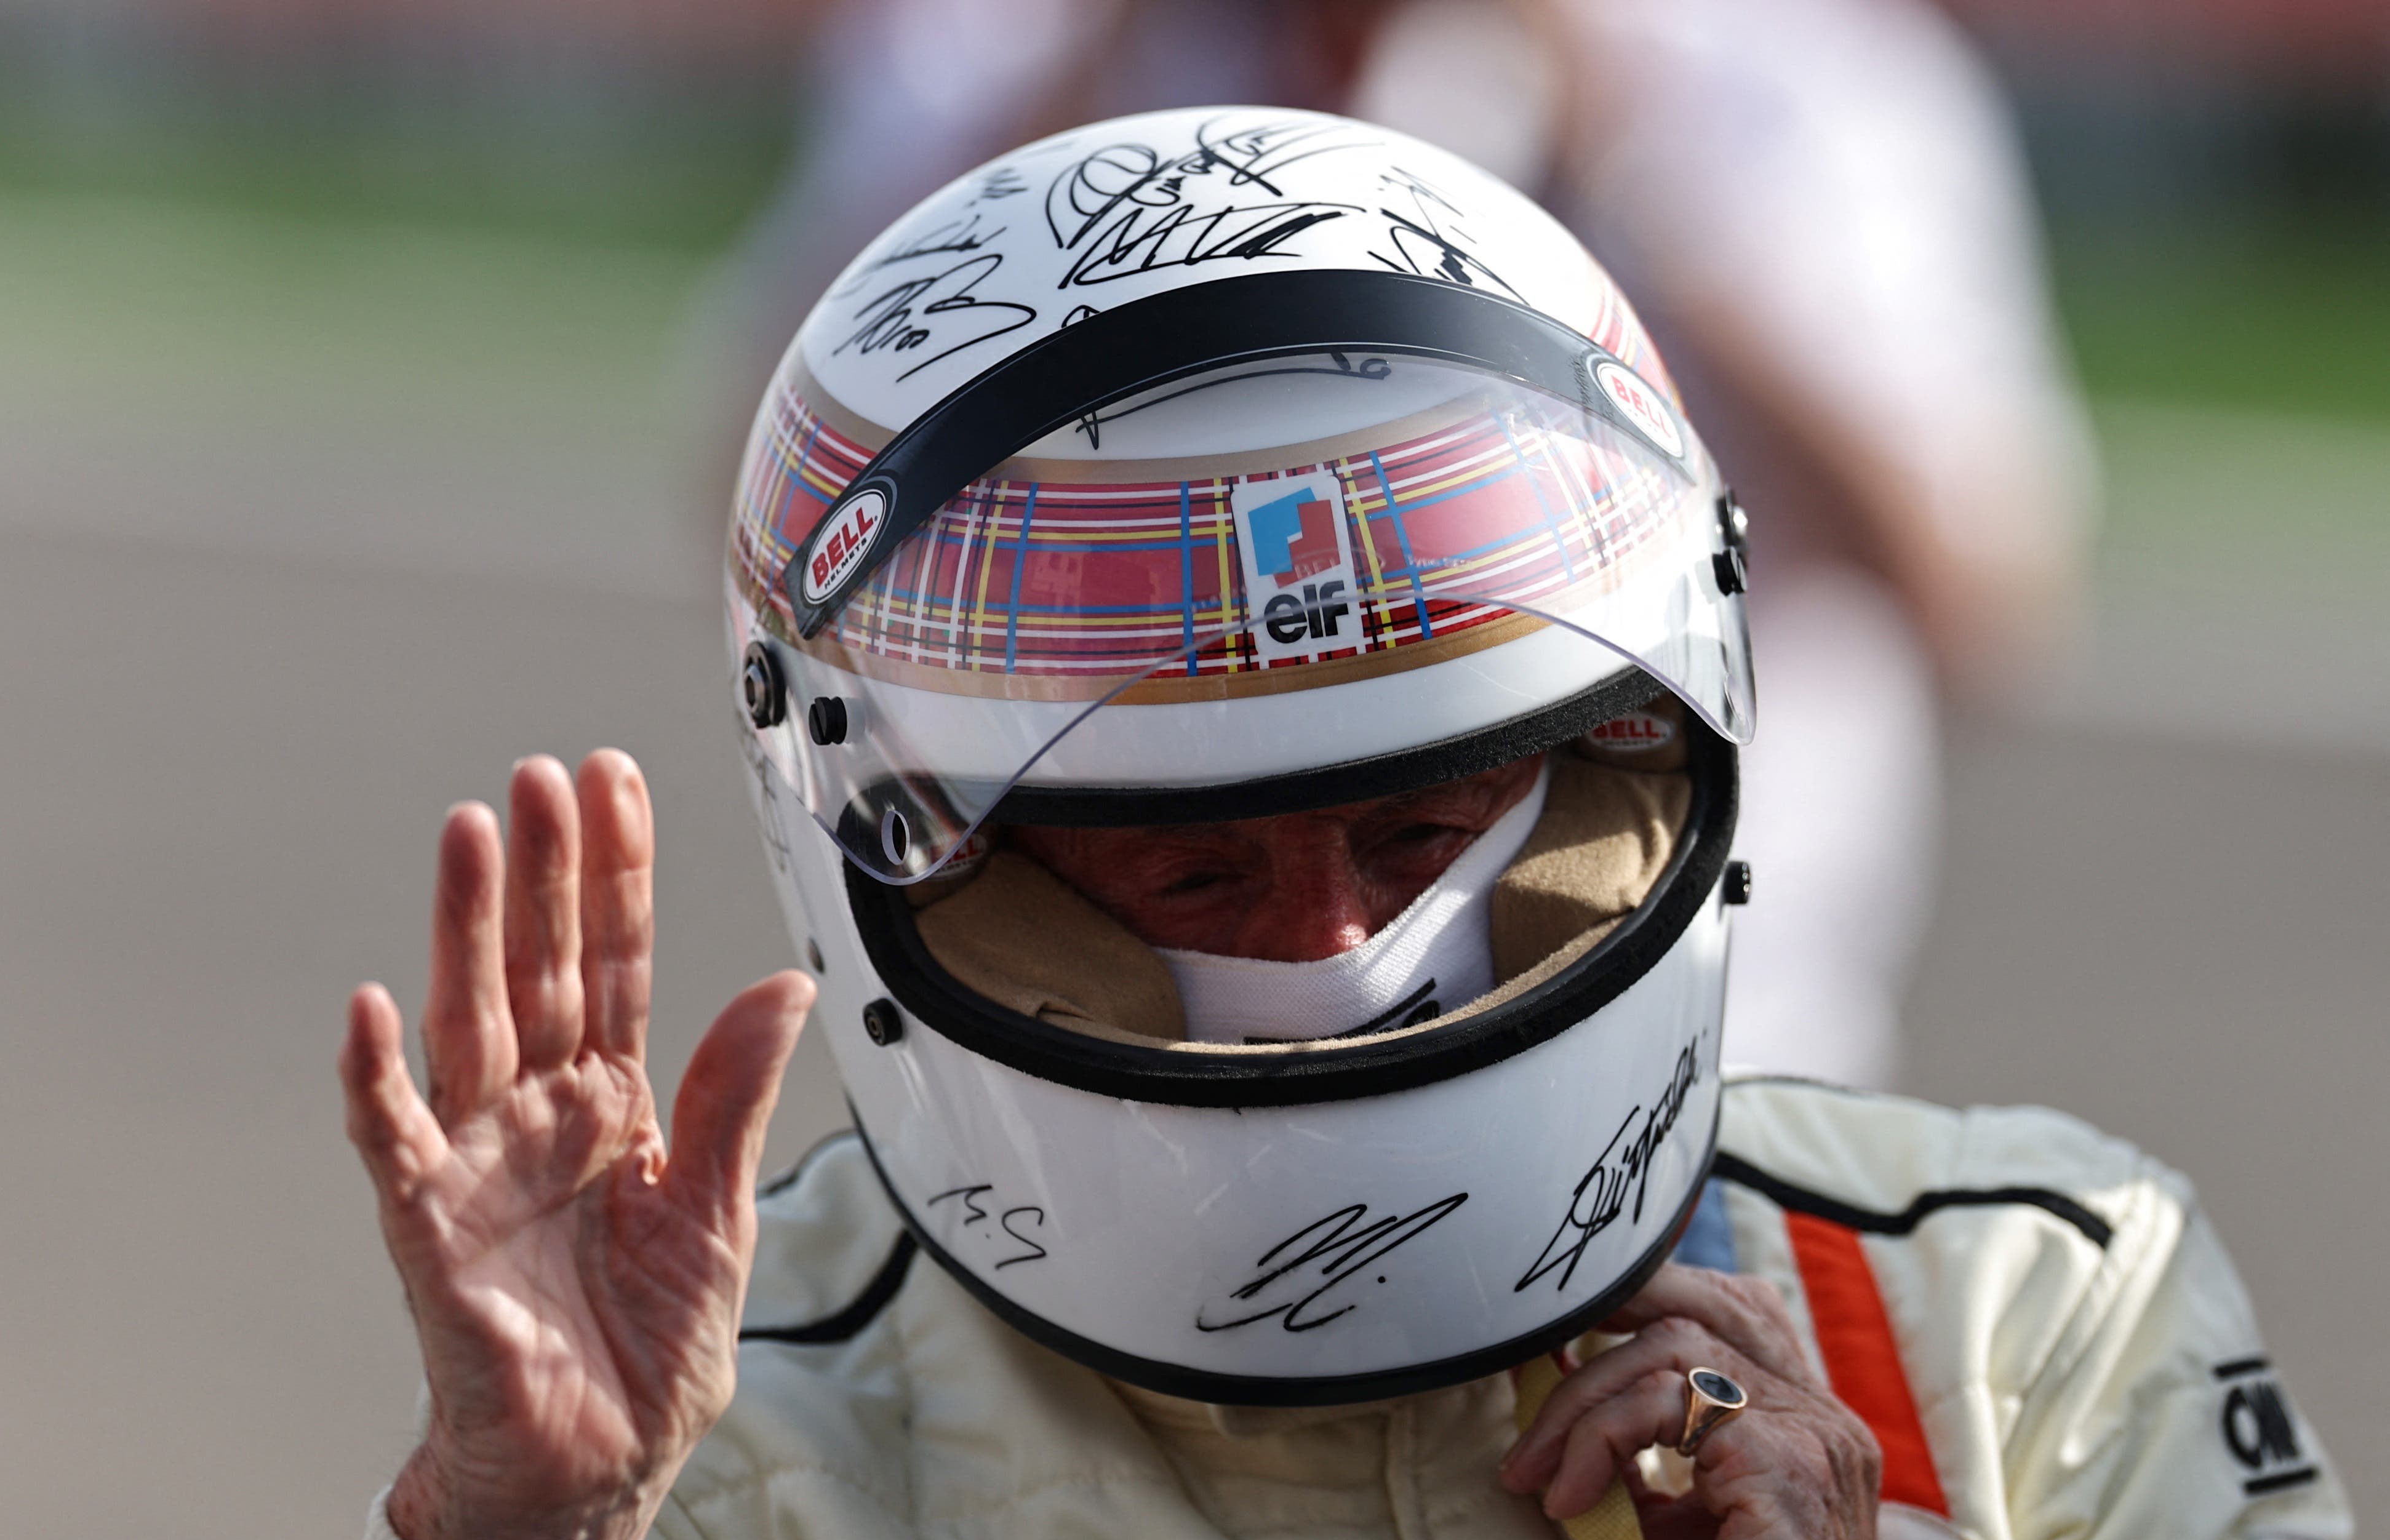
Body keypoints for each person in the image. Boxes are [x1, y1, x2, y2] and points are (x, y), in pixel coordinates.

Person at [232, 112, 2383, 1540]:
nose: (1342, 949)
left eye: (1430, 819)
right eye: (1191, 866)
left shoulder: (2024, 1304)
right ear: (923, 869)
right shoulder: (730, 1450)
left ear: (1630, 780)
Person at [687, 0, 2094, 1087]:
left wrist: (1631, 176)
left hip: (1708, 1039)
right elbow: (764, 507)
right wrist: (1073, 134)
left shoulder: (1794, 79)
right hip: (1143, 1059)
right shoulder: (1008, 55)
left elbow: (1973, 595)